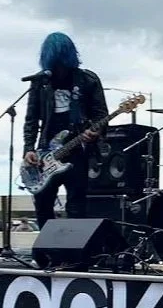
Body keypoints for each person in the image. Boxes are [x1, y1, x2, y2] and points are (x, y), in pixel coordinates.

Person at [22, 32, 108, 228]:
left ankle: (74, 256)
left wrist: (95, 133)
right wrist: (29, 148)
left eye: (61, 62)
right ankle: (46, 255)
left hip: (78, 151)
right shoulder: (40, 83)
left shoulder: (87, 80)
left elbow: (101, 115)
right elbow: (31, 119)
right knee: (43, 205)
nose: (58, 68)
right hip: (46, 153)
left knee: (77, 205)